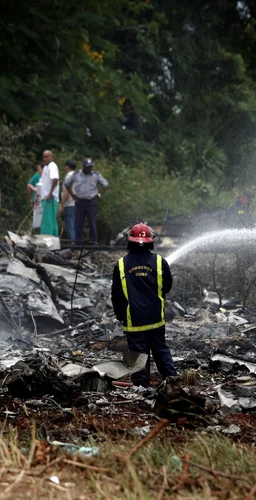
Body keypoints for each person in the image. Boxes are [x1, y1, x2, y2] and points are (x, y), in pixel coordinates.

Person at [111, 223, 177, 387]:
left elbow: (117, 295)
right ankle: (173, 381)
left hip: (134, 319)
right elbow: (167, 286)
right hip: (156, 318)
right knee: (161, 350)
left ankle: (141, 388)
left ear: (129, 241)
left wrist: (120, 315)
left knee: (137, 354)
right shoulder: (160, 262)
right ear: (150, 241)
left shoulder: (121, 265)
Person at [64, 157, 109, 245]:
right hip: (79, 201)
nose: (89, 169)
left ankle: (93, 243)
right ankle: (78, 244)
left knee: (92, 224)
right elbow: (67, 184)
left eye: (91, 167)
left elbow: (105, 185)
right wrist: (73, 195)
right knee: (78, 224)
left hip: (91, 202)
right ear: (83, 166)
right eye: (88, 167)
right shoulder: (76, 174)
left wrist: (99, 195)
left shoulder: (96, 175)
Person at [39, 150, 60, 236]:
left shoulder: (52, 166)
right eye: (43, 157)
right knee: (52, 220)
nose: (44, 159)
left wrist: (50, 193)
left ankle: (46, 238)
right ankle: (54, 238)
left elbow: (55, 179)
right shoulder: (45, 167)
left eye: (46, 157)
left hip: (49, 197)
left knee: (47, 221)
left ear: (51, 157)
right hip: (46, 196)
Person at [58, 158, 77, 242]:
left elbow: (67, 191)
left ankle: (73, 245)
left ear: (67, 167)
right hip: (77, 203)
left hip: (69, 203)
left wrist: (61, 203)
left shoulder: (69, 176)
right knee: (74, 225)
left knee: (70, 225)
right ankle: (76, 244)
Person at [26, 164, 43, 233]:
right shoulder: (37, 175)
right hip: (37, 200)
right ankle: (36, 232)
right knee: (36, 218)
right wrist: (31, 198)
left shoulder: (46, 177)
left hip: (43, 200)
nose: (38, 171)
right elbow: (29, 185)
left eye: (39, 170)